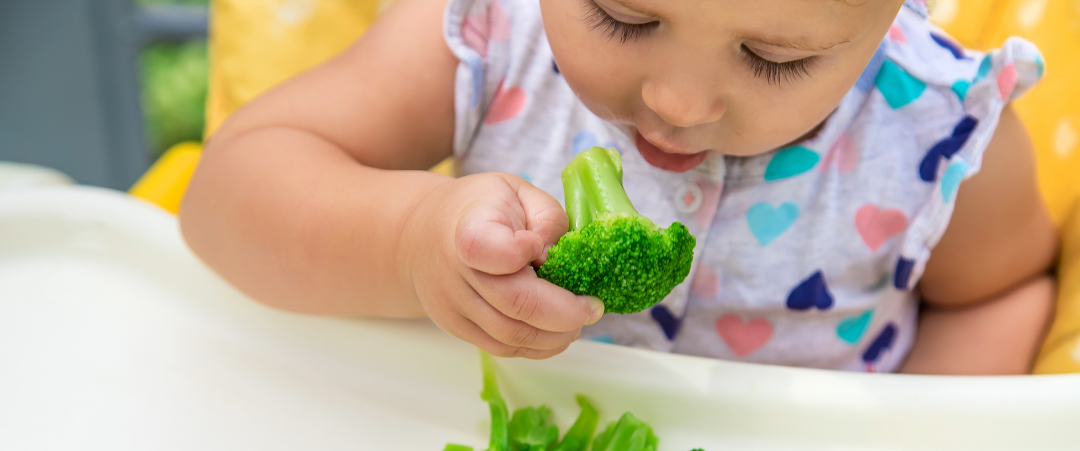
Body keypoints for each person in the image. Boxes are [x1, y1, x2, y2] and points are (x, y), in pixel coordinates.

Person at [180, 0, 1058, 374]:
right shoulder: (491, 36)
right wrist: (408, 240)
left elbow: (1002, 292)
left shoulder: (936, 130)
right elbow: (231, 191)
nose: (678, 101)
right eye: (623, 15)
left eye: (772, 57)